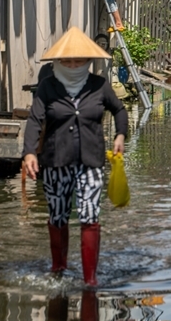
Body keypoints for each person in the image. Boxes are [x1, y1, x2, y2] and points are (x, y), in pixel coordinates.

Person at [23, 26, 127, 285]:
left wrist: (120, 135)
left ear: (88, 61)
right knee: (57, 215)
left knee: (90, 215)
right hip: (55, 162)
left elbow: (120, 110)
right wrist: (28, 153)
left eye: (78, 60)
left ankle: (90, 278)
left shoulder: (99, 86)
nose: (72, 64)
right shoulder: (47, 88)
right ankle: (58, 268)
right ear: (58, 62)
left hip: (91, 162)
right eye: (67, 60)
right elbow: (35, 120)